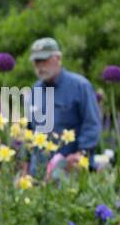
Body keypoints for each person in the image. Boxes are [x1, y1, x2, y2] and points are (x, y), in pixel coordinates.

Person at [27, 37, 101, 174]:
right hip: (39, 172)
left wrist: (81, 153)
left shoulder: (80, 86)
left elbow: (92, 125)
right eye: (37, 62)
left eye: (44, 60)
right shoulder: (33, 91)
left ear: (58, 58)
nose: (40, 66)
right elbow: (29, 131)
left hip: (71, 170)